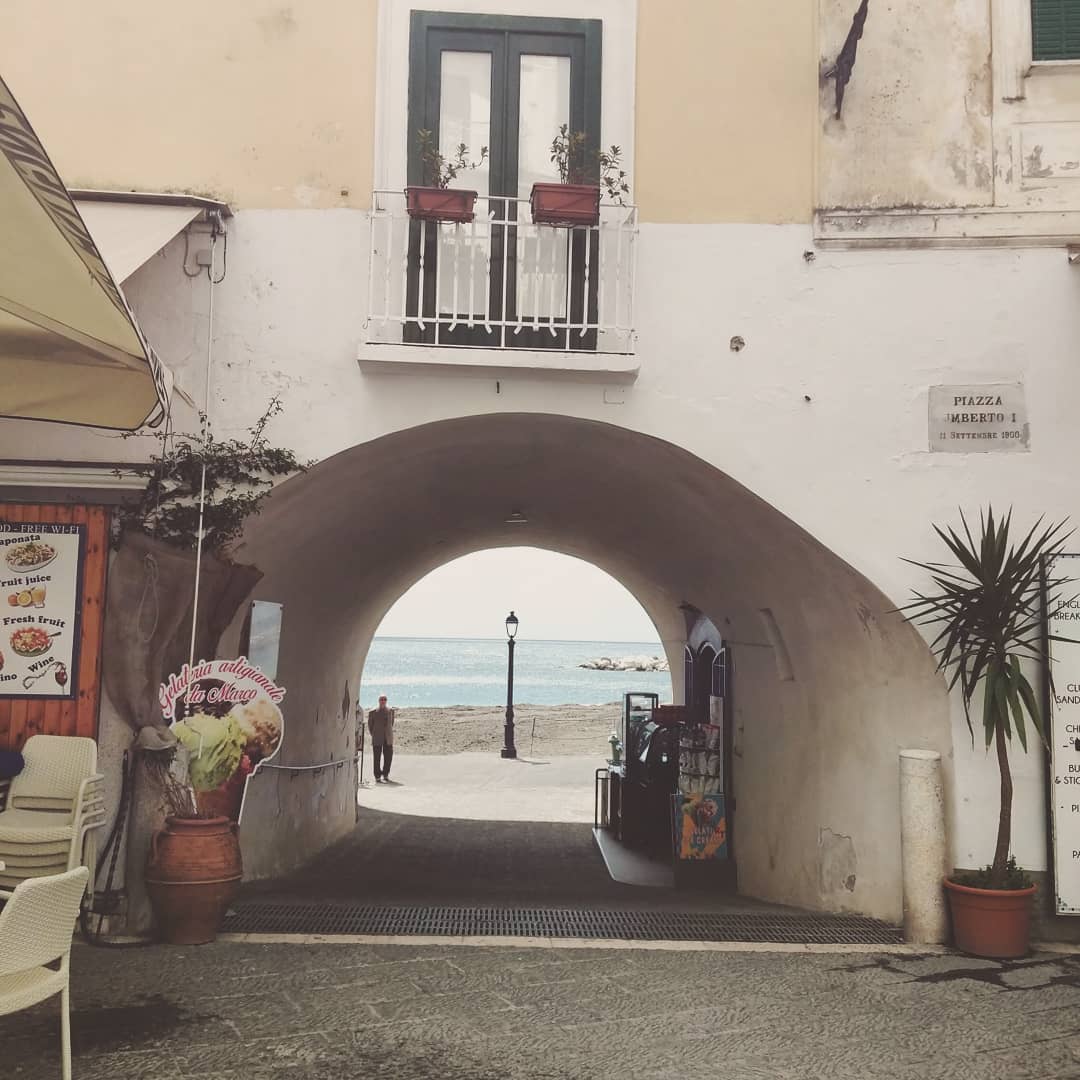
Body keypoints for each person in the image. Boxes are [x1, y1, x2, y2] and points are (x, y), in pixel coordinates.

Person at [367, 694, 395, 783]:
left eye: (384, 699)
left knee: (388, 757)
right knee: (377, 758)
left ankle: (385, 774)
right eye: (381, 699)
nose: (383, 701)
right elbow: (370, 725)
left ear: (386, 701)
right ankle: (377, 776)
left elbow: (391, 723)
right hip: (377, 737)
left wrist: (388, 733)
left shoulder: (390, 711)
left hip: (388, 737)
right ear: (379, 701)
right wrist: (374, 734)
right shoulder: (373, 712)